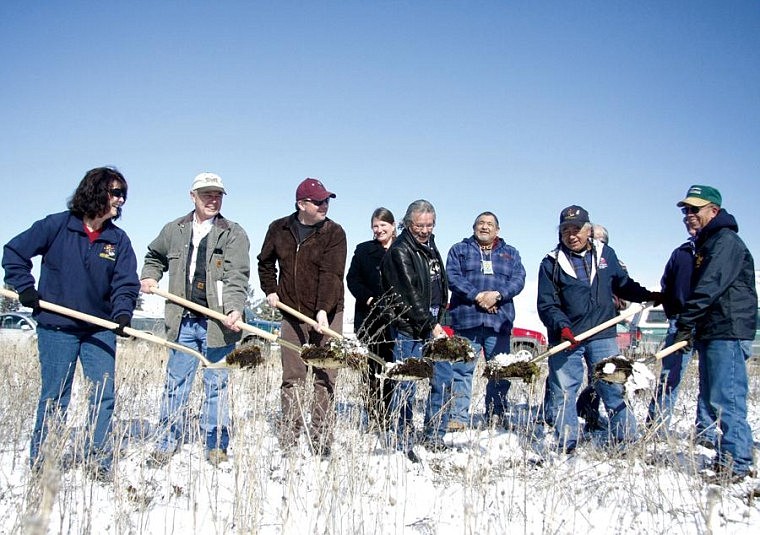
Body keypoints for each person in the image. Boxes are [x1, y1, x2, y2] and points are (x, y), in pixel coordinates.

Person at [2, 167, 139, 479]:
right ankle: (42, 463)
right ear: (95, 192)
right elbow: (13, 253)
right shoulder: (57, 226)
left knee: (103, 395)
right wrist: (25, 289)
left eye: (123, 195)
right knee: (55, 396)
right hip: (57, 328)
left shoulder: (117, 240)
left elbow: (125, 284)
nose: (120, 200)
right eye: (115, 193)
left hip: (99, 329)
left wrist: (121, 314)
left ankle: (99, 463)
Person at [141, 172, 250, 466]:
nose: (213, 200)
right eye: (207, 195)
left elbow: (237, 277)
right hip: (182, 322)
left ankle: (216, 445)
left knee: (216, 385)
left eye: (217, 195)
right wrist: (150, 276)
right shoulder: (174, 229)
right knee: (176, 384)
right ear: (193, 197)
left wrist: (234, 309)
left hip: (216, 325)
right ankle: (166, 441)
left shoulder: (234, 233)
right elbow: (154, 256)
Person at [537, 205, 659, 453]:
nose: (572, 235)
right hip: (567, 339)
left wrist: (648, 295)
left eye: (577, 229)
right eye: (566, 230)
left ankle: (627, 441)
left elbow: (623, 284)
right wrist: (562, 327)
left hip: (602, 335)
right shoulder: (550, 263)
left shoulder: (606, 255)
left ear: (588, 230)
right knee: (564, 393)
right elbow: (547, 304)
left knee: (612, 387)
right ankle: (566, 445)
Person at [672, 185, 756, 482]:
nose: (689, 216)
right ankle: (729, 457)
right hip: (712, 330)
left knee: (727, 398)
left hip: (727, 330)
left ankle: (736, 462)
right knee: (713, 397)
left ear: (714, 211)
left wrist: (687, 321)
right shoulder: (707, 243)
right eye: (685, 210)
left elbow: (710, 285)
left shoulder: (725, 242)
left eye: (695, 209)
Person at [257, 178, 346, 457]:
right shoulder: (279, 229)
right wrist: (271, 290)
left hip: (328, 313)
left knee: (324, 375)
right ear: (301, 204)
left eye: (327, 200)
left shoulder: (334, 232)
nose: (324, 205)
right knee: (293, 376)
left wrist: (323, 309)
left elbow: (331, 274)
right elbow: (265, 262)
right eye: (318, 201)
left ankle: (321, 438)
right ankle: (289, 437)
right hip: (292, 313)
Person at [380, 199, 449, 459]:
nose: (425, 230)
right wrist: (430, 325)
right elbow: (409, 295)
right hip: (410, 327)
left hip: (433, 323)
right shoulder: (400, 251)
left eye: (429, 225)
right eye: (420, 225)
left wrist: (441, 317)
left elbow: (439, 284)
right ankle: (402, 436)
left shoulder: (430, 246)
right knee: (406, 383)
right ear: (408, 224)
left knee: (442, 380)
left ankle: (435, 434)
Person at [445, 211, 526, 429]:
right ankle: (457, 417)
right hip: (467, 320)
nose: (485, 227)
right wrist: (478, 296)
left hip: (499, 322)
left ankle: (495, 415)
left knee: (499, 370)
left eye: (490, 224)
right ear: (473, 227)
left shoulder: (511, 253)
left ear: (497, 230)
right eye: (480, 223)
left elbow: (518, 280)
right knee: (461, 369)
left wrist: (497, 295)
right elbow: (452, 277)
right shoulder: (459, 250)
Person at [646, 216, 712, 437]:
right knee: (669, 376)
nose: (690, 221)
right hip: (681, 322)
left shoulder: (717, 248)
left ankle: (707, 432)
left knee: (710, 378)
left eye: (695, 216)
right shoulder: (681, 253)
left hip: (711, 324)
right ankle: (657, 429)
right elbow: (667, 284)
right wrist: (674, 313)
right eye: (686, 217)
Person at [347, 207, 397, 429]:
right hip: (370, 319)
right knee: (372, 371)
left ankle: (392, 414)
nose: (379, 230)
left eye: (383, 225)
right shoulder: (363, 250)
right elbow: (352, 279)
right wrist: (368, 298)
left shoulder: (403, 250)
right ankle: (374, 415)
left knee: (393, 369)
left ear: (393, 226)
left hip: (397, 320)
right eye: (375, 226)